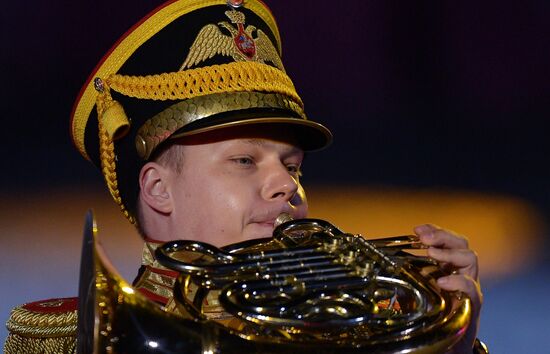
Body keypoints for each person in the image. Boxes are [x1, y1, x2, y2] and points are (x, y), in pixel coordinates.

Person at [4, 0, 486, 353]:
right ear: (157, 189)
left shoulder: (373, 323)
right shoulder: (61, 337)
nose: (286, 185)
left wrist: (454, 346)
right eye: (244, 161)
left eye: (293, 166)